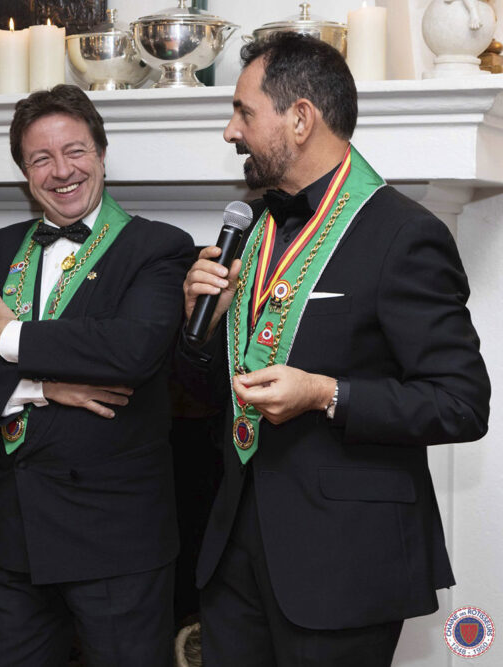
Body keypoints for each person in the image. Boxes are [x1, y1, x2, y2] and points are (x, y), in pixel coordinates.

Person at [176, 33, 491, 666]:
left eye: (243, 113)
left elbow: (461, 403)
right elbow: (212, 390)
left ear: (299, 119)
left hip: (344, 566)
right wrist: (201, 328)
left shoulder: (405, 234)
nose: (231, 131)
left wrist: (327, 394)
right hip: (234, 554)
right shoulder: (254, 227)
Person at [0, 84, 194, 665]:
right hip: (16, 535)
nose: (61, 171)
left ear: (101, 153)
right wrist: (42, 387)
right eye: (41, 158)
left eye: (75, 151)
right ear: (25, 173)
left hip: (116, 541)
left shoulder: (157, 246)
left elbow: (130, 350)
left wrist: (9, 339)